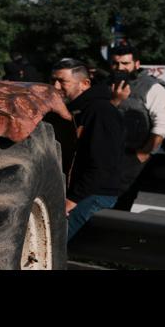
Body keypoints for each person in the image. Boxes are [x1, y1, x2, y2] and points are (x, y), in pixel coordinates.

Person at [49, 59, 124, 242]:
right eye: (53, 80)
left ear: (85, 84)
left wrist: (70, 201)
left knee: (51, 245)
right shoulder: (73, 111)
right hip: (78, 192)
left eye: (62, 81)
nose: (55, 86)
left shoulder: (100, 112)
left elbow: (102, 164)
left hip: (93, 195)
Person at [104, 42, 165, 210]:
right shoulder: (105, 84)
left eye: (125, 63)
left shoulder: (152, 87)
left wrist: (142, 154)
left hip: (131, 156)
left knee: (118, 204)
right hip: (105, 154)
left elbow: (163, 125)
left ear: (136, 64)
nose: (119, 67)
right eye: (115, 63)